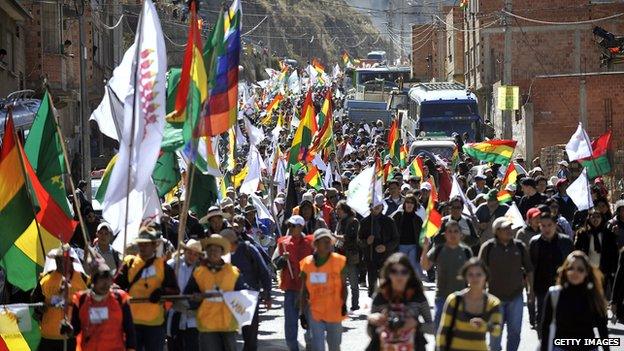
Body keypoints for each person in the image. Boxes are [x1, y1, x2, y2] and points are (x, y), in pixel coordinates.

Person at [115, 226, 179, 351]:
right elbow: (115, 287)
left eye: (146, 244)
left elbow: (175, 290)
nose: (143, 247)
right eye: (141, 244)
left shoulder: (163, 266)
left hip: (155, 324)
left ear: (154, 245)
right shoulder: (129, 263)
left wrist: (162, 292)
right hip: (131, 322)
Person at [479, 217, 533, 351]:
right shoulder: (488, 247)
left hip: (516, 297)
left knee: (515, 334)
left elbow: (529, 270)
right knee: (495, 335)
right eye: (506, 228)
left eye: (510, 228)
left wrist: (531, 291)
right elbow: (479, 271)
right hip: (494, 300)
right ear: (497, 231)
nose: (510, 230)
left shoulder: (519, 246)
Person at [540, 251, 610, 351]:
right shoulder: (554, 294)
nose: (575, 272)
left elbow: (602, 328)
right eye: (571, 268)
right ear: (565, 270)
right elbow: (545, 327)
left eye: (580, 269)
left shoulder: (593, 296)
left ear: (586, 272)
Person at [186, 234, 245, 351]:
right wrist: (195, 298)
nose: (213, 252)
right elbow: (189, 293)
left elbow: (242, 295)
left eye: (216, 250)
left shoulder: (233, 272)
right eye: (210, 249)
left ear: (222, 252)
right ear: (206, 251)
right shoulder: (198, 272)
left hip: (228, 323)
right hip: (207, 323)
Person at [367, 253, 433, 351]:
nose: (399, 276)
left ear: (409, 274)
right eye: (394, 271)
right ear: (388, 273)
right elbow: (370, 333)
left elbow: (432, 328)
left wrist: (416, 324)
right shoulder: (380, 296)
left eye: (404, 272)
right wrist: (372, 320)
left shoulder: (418, 296)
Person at [221, 228, 272, 351]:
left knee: (250, 337)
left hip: (248, 298)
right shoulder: (219, 255)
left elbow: (264, 271)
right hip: (225, 300)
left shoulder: (249, 249)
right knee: (226, 338)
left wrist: (267, 293)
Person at [435, 258, 502, 351]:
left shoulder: (493, 303)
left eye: (479, 274)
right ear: (465, 277)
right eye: (470, 274)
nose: (475, 278)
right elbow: (443, 331)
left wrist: (485, 326)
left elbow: (497, 331)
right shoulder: (454, 300)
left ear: (485, 276)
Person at [70, 262, 136, 351]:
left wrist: (131, 349)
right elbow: (75, 328)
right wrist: (68, 329)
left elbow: (129, 329)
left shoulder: (120, 298)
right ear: (93, 281)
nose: (105, 284)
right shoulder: (81, 299)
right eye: (101, 279)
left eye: (107, 279)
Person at [32, 245, 87, 351]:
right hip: (49, 336)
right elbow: (35, 300)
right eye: (58, 260)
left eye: (64, 260)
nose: (60, 263)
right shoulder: (45, 279)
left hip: (72, 336)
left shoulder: (83, 280)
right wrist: (40, 308)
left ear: (71, 260)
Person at [300, 229, 347, 351]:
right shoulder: (307, 263)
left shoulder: (339, 261)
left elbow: (344, 286)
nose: (328, 244)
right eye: (324, 241)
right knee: (318, 346)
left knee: (335, 345)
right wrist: (302, 313)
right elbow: (303, 290)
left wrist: (344, 305)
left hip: (334, 310)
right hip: (315, 311)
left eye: (329, 241)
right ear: (316, 244)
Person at [420, 220, 473, 328]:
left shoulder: (466, 251)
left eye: (456, 231)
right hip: (442, 297)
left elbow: (472, 274)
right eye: (450, 231)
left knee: (459, 330)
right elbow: (425, 266)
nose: (453, 234)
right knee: (439, 328)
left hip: (461, 297)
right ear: (445, 234)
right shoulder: (438, 250)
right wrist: (425, 248)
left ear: (461, 234)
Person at [273, 215, 314, 351]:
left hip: (308, 289)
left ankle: (310, 346)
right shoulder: (282, 242)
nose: (289, 228)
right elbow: (276, 265)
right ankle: (293, 348)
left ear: (301, 227)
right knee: (290, 324)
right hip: (290, 289)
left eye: (293, 226)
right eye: (289, 225)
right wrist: (283, 259)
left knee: (310, 323)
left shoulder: (311, 242)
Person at [528, 213, 573, 335]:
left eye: (549, 225)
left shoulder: (566, 242)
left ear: (555, 225)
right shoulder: (534, 242)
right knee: (542, 321)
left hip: (562, 287)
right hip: (541, 288)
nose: (546, 229)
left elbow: (571, 266)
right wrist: (530, 290)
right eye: (543, 226)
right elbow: (530, 268)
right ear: (539, 226)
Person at [166, 239, 203, 351]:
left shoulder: (200, 270)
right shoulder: (173, 265)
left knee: (192, 346)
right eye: (190, 253)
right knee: (175, 346)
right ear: (184, 251)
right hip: (174, 313)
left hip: (192, 317)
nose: (192, 256)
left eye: (195, 254)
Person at [573, 208, 618, 297]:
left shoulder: (607, 234)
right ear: (588, 219)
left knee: (601, 294)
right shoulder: (583, 233)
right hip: (588, 269)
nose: (595, 219)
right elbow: (576, 250)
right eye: (592, 217)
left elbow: (613, 252)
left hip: (603, 269)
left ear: (602, 218)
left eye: (598, 217)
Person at [359, 203, 400, 296]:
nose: (376, 206)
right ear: (370, 207)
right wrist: (366, 242)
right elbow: (359, 240)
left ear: (382, 206)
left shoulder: (389, 221)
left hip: (385, 256)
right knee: (372, 288)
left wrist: (386, 247)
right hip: (370, 255)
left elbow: (396, 239)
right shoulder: (364, 222)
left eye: (379, 204)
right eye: (374, 204)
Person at [334, 200, 361, 311]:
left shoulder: (353, 221)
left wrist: (335, 236)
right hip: (340, 255)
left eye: (338, 209)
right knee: (341, 283)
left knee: (353, 282)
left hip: (350, 255)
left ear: (344, 209)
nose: (337, 211)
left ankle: (355, 304)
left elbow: (350, 237)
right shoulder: (340, 221)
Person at [391, 194, 424, 276]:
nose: (409, 204)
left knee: (411, 267)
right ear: (404, 204)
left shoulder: (418, 219)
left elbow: (421, 235)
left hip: (413, 246)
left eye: (412, 203)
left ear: (414, 205)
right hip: (401, 245)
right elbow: (389, 225)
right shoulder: (398, 215)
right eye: (407, 202)